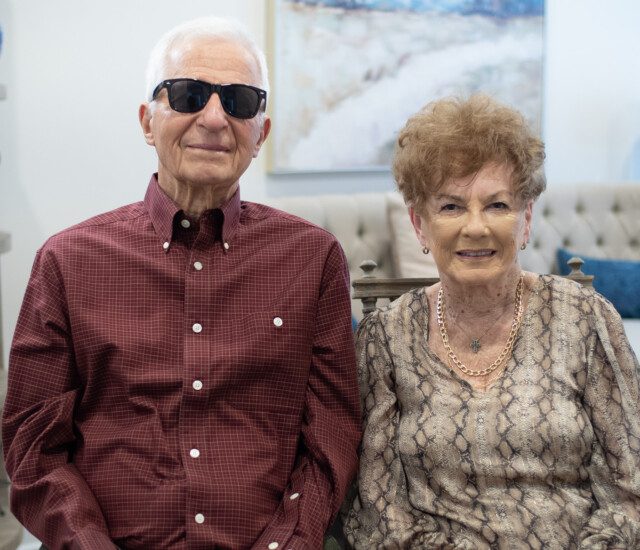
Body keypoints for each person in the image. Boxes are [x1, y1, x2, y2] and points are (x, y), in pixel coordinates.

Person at [2, 17, 360, 549]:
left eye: (239, 101)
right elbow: (34, 446)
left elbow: (332, 436)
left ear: (260, 131)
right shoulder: (67, 261)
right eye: (189, 94)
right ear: (148, 121)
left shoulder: (314, 260)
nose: (214, 118)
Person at [344, 95, 640, 548]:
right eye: (451, 207)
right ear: (420, 226)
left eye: (497, 205)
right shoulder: (387, 338)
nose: (476, 227)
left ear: (525, 220)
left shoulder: (585, 317)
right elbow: (378, 507)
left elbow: (630, 486)